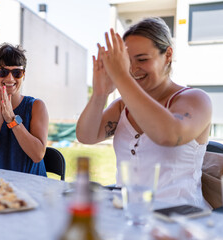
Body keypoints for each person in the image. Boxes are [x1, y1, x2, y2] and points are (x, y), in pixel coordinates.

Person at [76, 18, 212, 209]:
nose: (132, 69)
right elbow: (86, 136)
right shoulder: (122, 106)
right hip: (127, 213)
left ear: (168, 55)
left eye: (142, 59)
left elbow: (169, 135)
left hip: (180, 219)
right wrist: (100, 92)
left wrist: (121, 76)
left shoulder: (196, 99)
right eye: (126, 62)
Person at [0, 43, 49, 176]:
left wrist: (12, 120)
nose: (10, 78)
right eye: (3, 72)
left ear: (23, 74)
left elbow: (38, 155)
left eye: (16, 72)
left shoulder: (36, 106)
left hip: (32, 189)